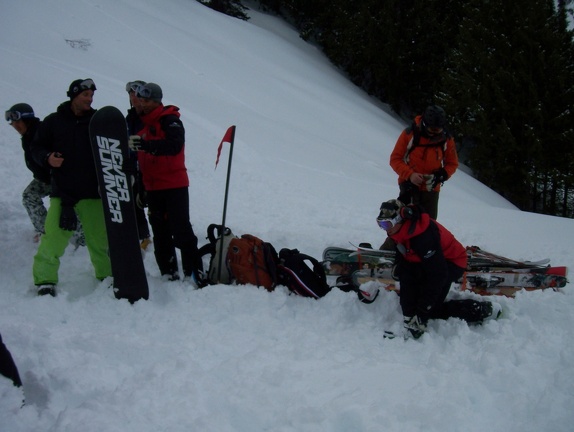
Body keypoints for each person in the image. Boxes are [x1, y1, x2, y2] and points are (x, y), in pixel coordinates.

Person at [30, 78, 112, 296]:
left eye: (92, 96)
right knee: (54, 238)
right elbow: (36, 147)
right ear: (74, 96)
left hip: (92, 192)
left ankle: (107, 275)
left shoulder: (96, 121)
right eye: (85, 95)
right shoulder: (54, 121)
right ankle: (45, 279)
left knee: (99, 239)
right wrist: (47, 157)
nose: (89, 99)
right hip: (63, 192)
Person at [377, 199, 500, 339]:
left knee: (432, 309)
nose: (385, 229)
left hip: (452, 262)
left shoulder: (422, 237)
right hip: (425, 261)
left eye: (387, 224)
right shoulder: (400, 230)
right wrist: (408, 314)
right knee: (407, 275)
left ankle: (481, 310)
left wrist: (423, 313)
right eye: (380, 224)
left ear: (399, 220)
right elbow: (405, 256)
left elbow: (438, 275)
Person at [128, 83, 204, 285]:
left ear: (156, 101)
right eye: (140, 100)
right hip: (153, 187)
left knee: (181, 229)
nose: (142, 104)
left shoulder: (170, 121)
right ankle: (168, 273)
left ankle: (195, 271)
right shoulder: (139, 122)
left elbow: (174, 145)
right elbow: (141, 161)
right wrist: (142, 187)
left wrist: (146, 145)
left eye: (146, 101)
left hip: (174, 185)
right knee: (160, 233)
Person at [5, 103, 85, 247]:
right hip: (46, 179)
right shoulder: (28, 135)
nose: (15, 125)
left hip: (62, 178)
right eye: (13, 122)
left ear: (27, 119)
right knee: (30, 196)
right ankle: (47, 232)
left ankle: (82, 241)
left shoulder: (42, 132)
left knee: (67, 205)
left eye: (18, 121)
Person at [389, 105, 459, 220]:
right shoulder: (409, 134)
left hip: (431, 189)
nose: (434, 133)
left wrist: (441, 175)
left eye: (438, 130)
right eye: (432, 129)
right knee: (405, 222)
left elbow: (452, 163)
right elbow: (395, 159)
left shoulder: (446, 140)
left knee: (428, 224)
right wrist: (410, 175)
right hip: (409, 185)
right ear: (425, 124)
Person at [125, 81, 151, 251]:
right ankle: (144, 235)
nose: (133, 97)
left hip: (149, 165)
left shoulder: (147, 116)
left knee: (151, 201)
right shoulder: (131, 117)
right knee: (135, 201)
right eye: (131, 94)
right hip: (135, 165)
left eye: (136, 93)